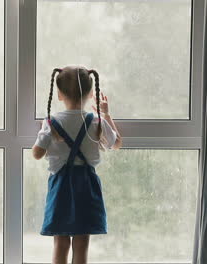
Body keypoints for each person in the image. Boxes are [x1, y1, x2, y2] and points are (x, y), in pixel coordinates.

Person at [32, 66, 123, 264]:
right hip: (87, 187)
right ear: (91, 94)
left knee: (60, 241)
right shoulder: (96, 121)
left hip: (60, 187)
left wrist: (45, 133)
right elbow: (116, 144)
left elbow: (37, 154)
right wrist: (107, 114)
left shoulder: (52, 121)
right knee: (82, 242)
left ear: (58, 94)